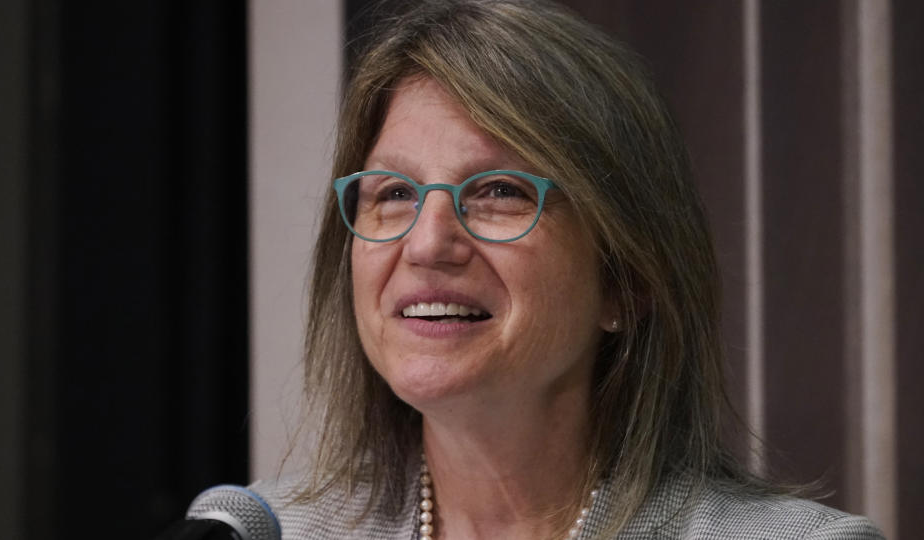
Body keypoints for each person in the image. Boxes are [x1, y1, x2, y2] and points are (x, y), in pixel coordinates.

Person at [251, 1, 884, 538]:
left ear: (625, 277)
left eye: (499, 191)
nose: (427, 243)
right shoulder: (266, 530)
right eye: (392, 194)